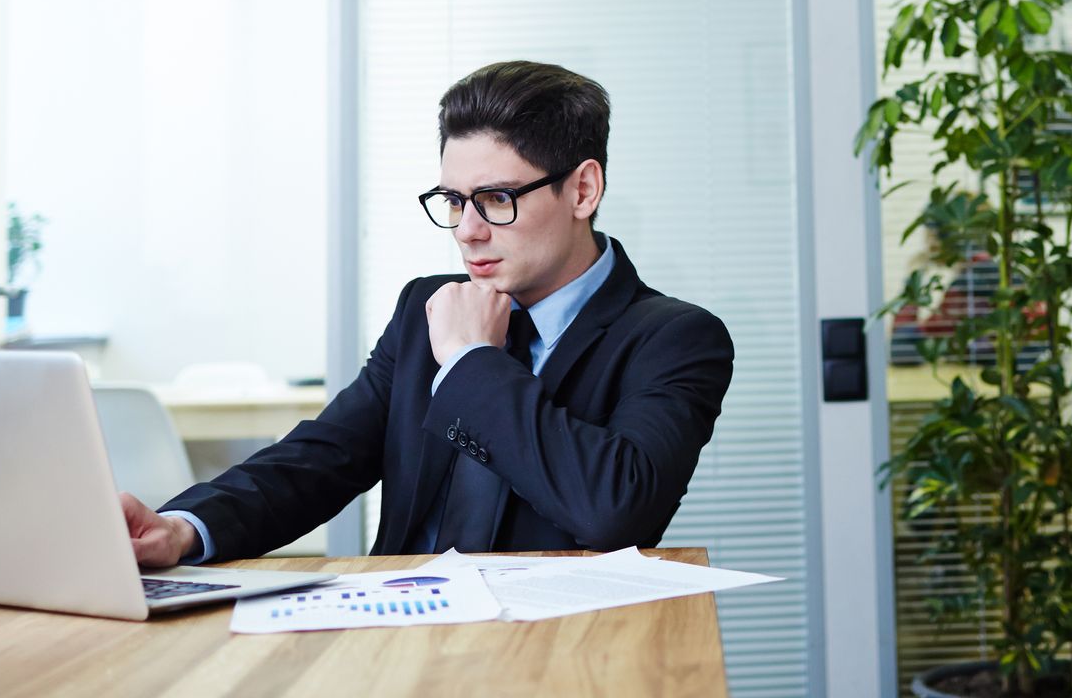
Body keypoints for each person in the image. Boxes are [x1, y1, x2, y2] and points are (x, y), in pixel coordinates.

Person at [118, 60, 735, 565]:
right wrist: (183, 528)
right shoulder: (426, 307)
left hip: (557, 652)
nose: (466, 233)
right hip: (396, 633)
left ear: (582, 190)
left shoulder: (675, 338)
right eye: (452, 200)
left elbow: (615, 509)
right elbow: (321, 458)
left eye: (495, 199)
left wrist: (473, 363)